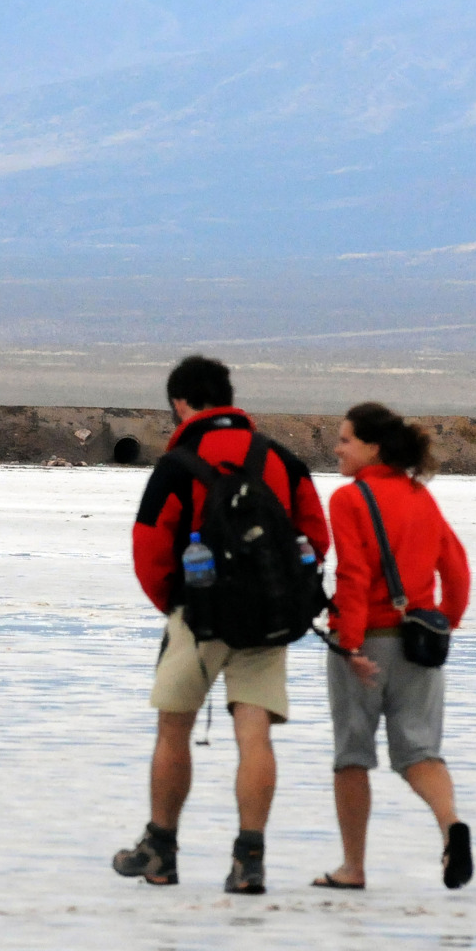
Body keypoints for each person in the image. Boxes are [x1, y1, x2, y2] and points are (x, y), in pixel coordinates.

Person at [113, 354, 330, 894]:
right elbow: (315, 537)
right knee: (254, 735)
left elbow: (149, 545)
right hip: (268, 619)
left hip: (199, 613)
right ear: (229, 398)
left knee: (174, 728)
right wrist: (282, 591)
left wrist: (174, 603)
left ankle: (160, 849)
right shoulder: (280, 459)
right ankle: (248, 860)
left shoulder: (177, 462)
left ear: (181, 404)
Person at [313, 402, 474, 891]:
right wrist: (446, 620)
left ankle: (353, 868)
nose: (336, 448)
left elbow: (354, 575)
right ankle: (451, 826)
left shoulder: (349, 499)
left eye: (344, 440)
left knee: (352, 756)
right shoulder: (419, 495)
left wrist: (352, 646)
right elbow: (456, 565)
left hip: (366, 641)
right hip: (419, 645)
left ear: (371, 447)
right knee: (421, 752)